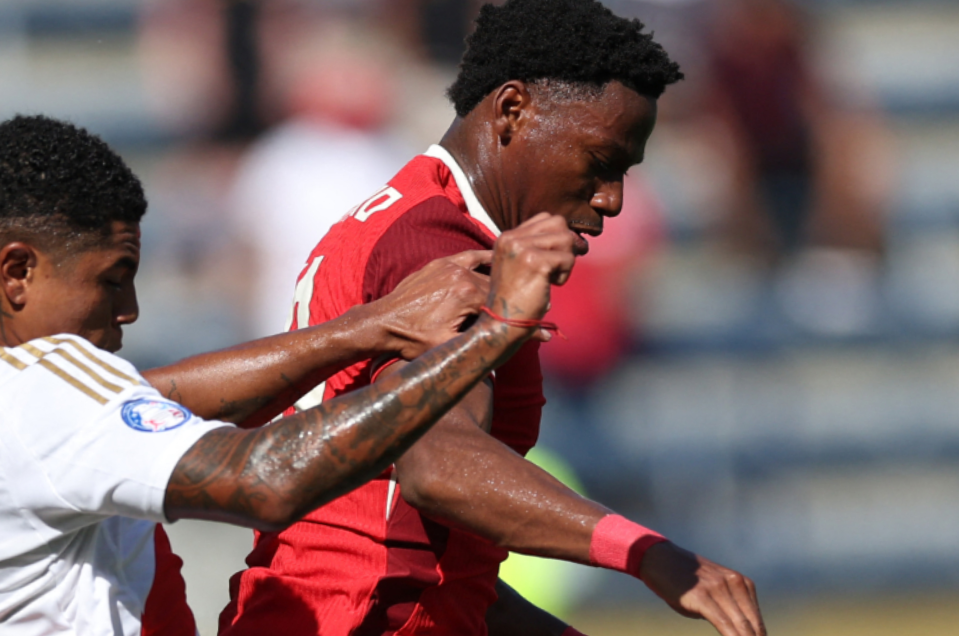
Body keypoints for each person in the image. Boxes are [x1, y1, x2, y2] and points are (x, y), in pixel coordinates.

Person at [0, 114, 583, 635]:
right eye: (112, 278)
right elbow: (266, 482)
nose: (128, 310)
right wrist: (491, 335)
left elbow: (160, 397)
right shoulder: (36, 394)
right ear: (17, 270)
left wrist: (367, 328)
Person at [218, 1, 766, 636]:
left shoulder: (423, 216)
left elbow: (433, 561)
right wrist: (647, 552)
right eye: (600, 161)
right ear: (512, 110)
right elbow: (438, 467)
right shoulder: (441, 250)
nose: (612, 198)